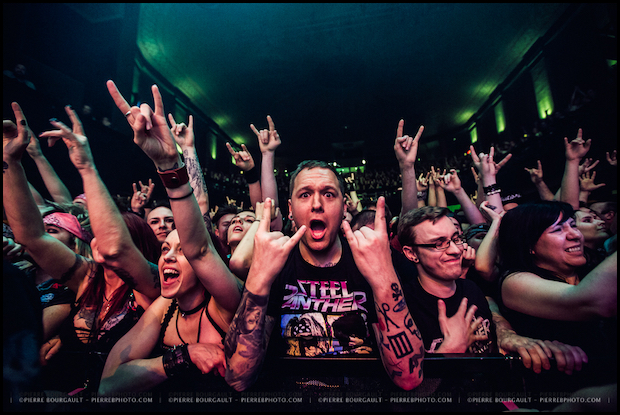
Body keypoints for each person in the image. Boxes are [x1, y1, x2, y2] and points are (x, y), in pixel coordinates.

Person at [224, 158, 425, 393]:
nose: (317, 204)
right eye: (305, 195)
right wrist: (259, 277)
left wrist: (383, 275)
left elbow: (409, 377)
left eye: (329, 194)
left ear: (343, 207)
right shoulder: (276, 263)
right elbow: (237, 377)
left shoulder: (369, 258)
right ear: (290, 210)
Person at [3, 102, 162, 395]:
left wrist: (86, 166)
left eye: (110, 231)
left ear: (136, 245)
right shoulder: (88, 277)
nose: (98, 236)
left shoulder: (152, 289)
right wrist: (11, 162)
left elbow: (116, 249)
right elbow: (30, 236)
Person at [99, 80, 242, 396]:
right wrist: (180, 357)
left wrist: (170, 163)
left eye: (180, 250)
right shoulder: (165, 308)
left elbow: (200, 249)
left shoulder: (226, 302)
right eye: (165, 248)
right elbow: (108, 388)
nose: (168, 256)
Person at [497, 200, 617, 391]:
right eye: (558, 230)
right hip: (559, 394)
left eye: (573, 225)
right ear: (530, 245)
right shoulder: (515, 281)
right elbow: (594, 302)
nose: (575, 235)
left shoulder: (593, 265)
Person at [397, 206, 496, 354]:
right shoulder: (403, 308)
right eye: (438, 244)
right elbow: (406, 375)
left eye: (456, 239)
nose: (456, 250)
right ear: (411, 253)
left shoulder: (471, 289)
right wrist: (449, 351)